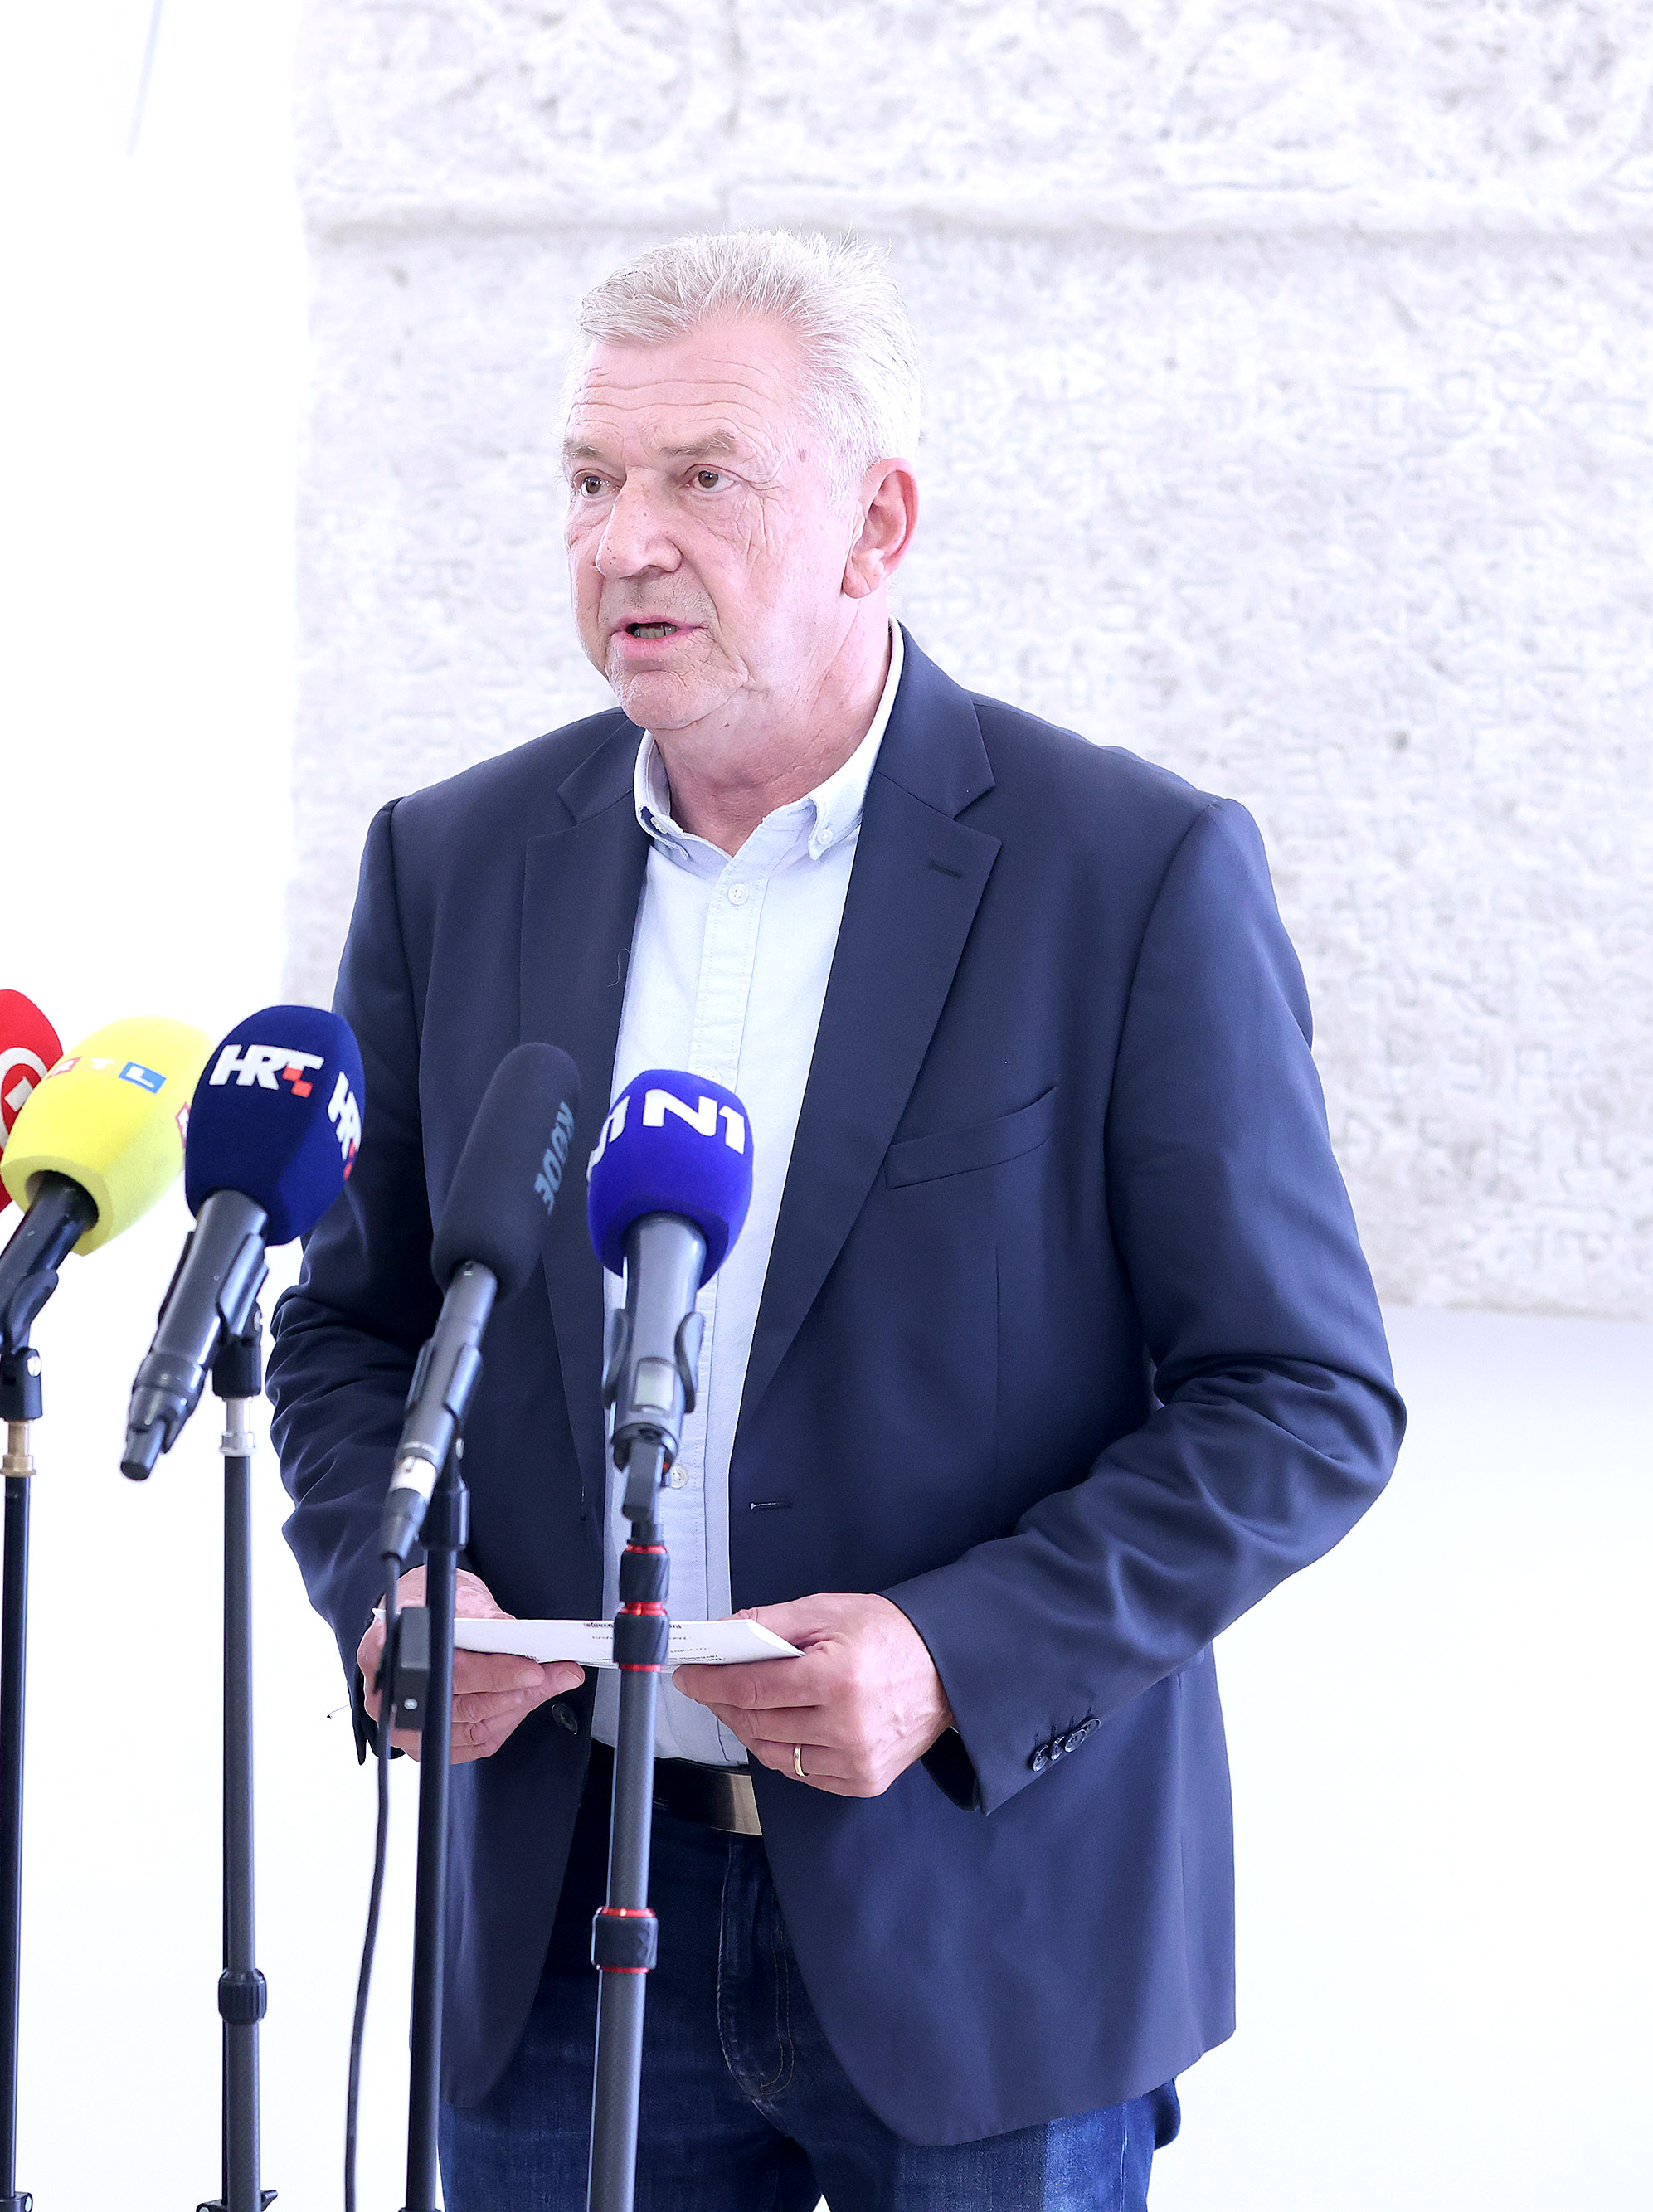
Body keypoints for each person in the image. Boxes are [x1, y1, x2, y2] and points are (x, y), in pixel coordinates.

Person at [268, 231, 1404, 2210]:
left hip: (981, 1916)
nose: (622, 539)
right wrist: (391, 1582)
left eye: (699, 477)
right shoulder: (450, 862)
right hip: (553, 1912)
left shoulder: (1123, 871)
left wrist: (954, 1651)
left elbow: (1298, 1397)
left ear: (877, 521)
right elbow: (353, 1331)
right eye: (586, 480)